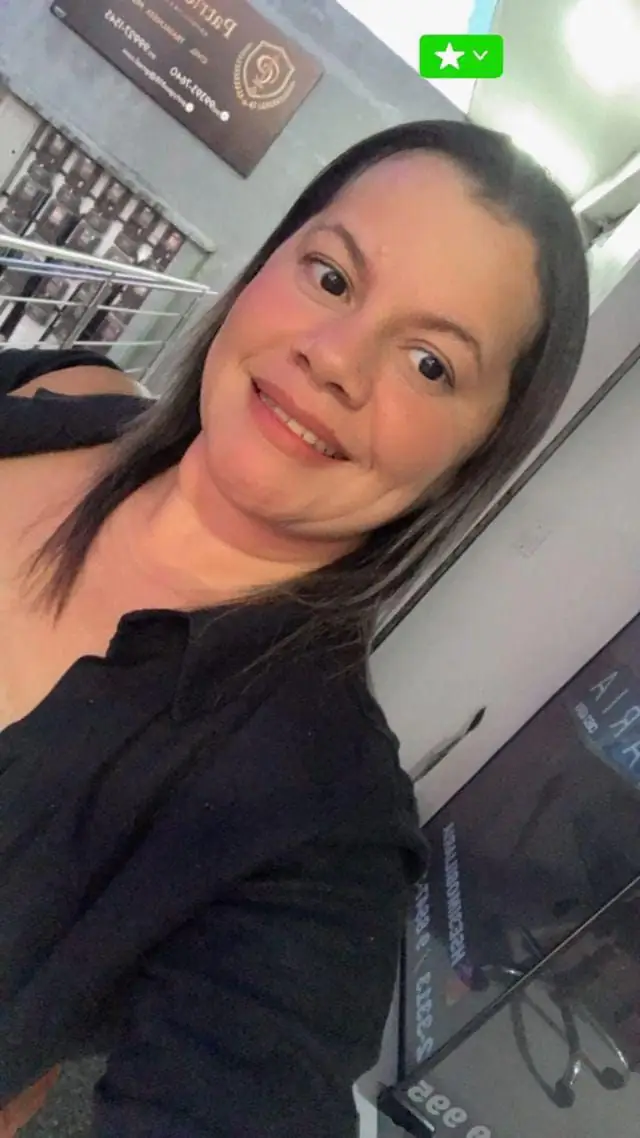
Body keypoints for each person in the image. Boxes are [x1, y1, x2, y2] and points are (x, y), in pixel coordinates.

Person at [0, 119, 588, 1137]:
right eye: (331, 276)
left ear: (471, 458)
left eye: (429, 363)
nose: (336, 359)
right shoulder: (58, 392)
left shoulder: (321, 831)